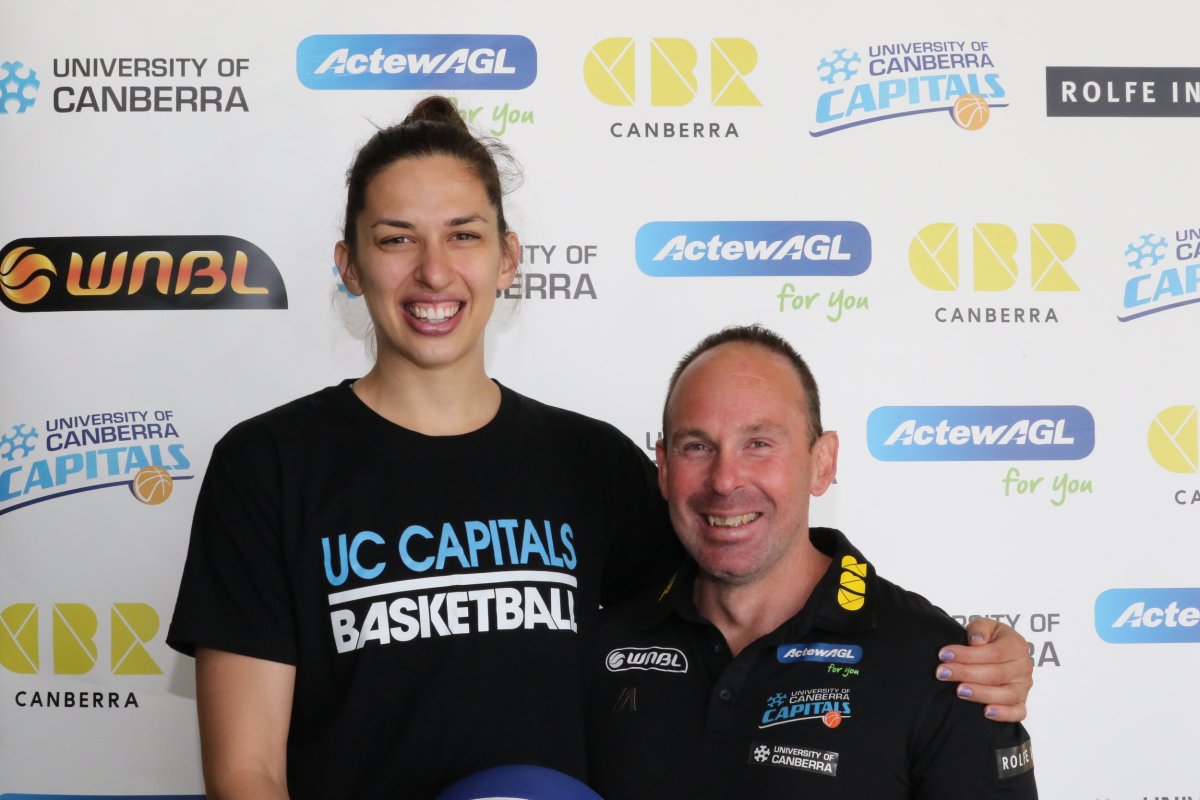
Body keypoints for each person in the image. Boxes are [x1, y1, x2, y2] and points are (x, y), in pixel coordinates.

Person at [166, 98, 1031, 799]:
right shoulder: (269, 467)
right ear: (349, 265)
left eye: (463, 234)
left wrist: (944, 656)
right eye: (396, 238)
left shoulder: (592, 466)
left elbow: (748, 576)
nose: (433, 271)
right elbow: (247, 774)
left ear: (507, 259)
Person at [586, 325, 1038, 799]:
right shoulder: (601, 648)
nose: (724, 480)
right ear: (663, 467)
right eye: (697, 446)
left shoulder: (946, 668)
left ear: (822, 463)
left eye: (759, 443)